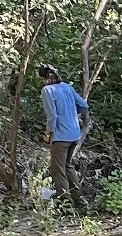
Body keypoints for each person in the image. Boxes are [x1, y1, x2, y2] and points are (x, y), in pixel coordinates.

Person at [38, 64, 91, 211]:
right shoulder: (67, 87)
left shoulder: (47, 90)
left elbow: (52, 116)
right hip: (74, 134)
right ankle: (79, 198)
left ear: (44, 78)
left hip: (60, 136)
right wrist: (72, 113)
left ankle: (65, 202)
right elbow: (83, 105)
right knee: (67, 165)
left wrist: (48, 133)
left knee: (57, 168)